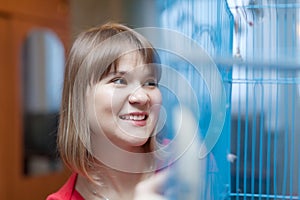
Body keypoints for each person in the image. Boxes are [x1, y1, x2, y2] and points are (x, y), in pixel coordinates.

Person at [46, 22, 169, 200]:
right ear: (79, 99)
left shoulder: (193, 166)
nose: (142, 97)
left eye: (150, 83)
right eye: (119, 81)